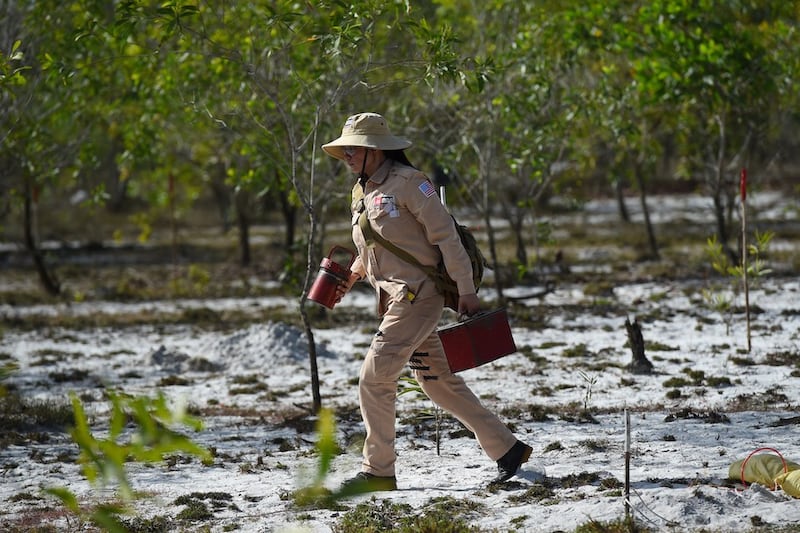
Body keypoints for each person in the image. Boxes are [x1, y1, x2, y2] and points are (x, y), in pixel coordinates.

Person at [321, 112, 532, 493]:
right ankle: (507, 449)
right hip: (394, 298)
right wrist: (352, 274)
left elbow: (446, 238)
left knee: (374, 378)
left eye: (354, 148)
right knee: (437, 381)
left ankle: (378, 472)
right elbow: (374, 246)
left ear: (375, 150)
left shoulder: (412, 183)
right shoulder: (361, 191)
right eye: (345, 149)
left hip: (418, 298)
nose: (347, 155)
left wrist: (466, 290)